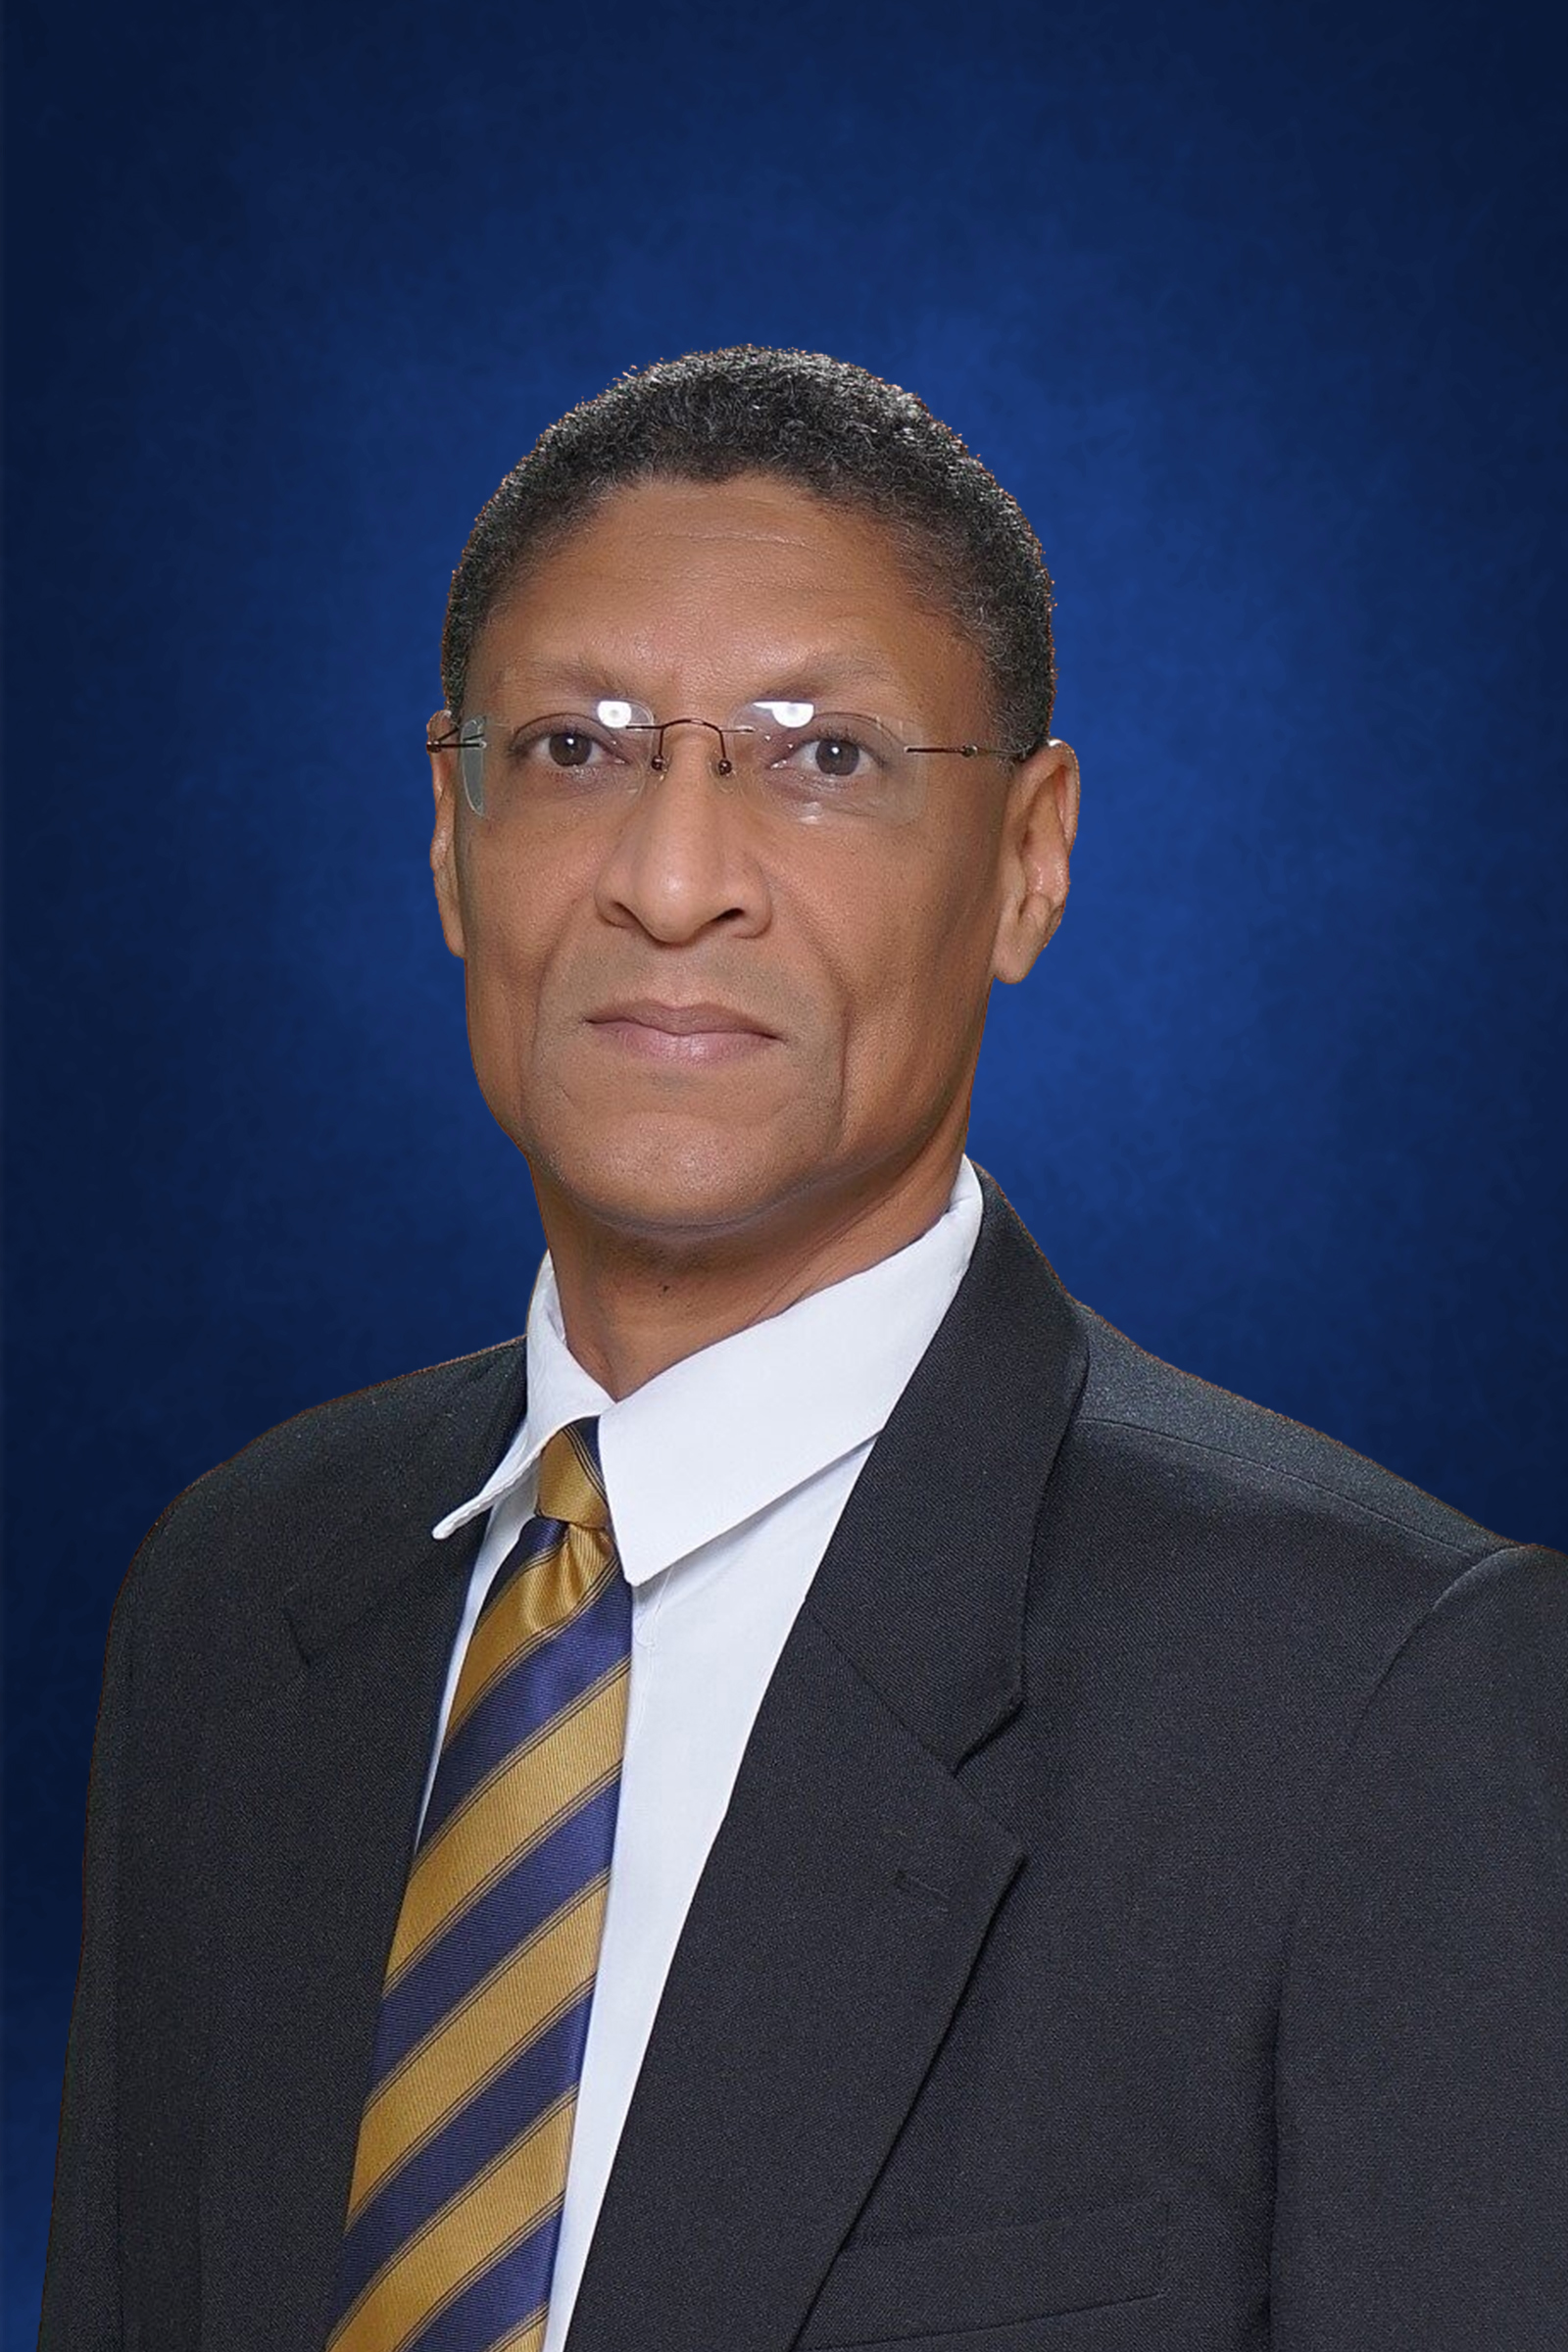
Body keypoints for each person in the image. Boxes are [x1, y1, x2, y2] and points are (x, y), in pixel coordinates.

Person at [40, 346, 1567, 2352]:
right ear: (448, 830)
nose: (673, 882)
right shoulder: (238, 1597)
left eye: (824, 756)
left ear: (1028, 856)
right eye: (574, 749)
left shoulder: (1369, 1694)